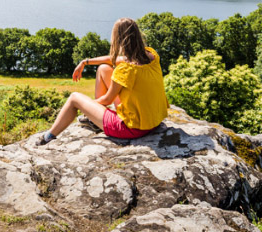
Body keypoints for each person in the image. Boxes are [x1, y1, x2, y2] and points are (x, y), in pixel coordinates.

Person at [38, 18, 168, 145]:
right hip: (152, 123)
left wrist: (88, 105)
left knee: (74, 98)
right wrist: (85, 62)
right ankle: (95, 121)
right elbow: (113, 59)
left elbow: (107, 100)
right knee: (103, 69)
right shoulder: (152, 56)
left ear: (118, 39)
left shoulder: (126, 70)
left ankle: (48, 137)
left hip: (131, 129)